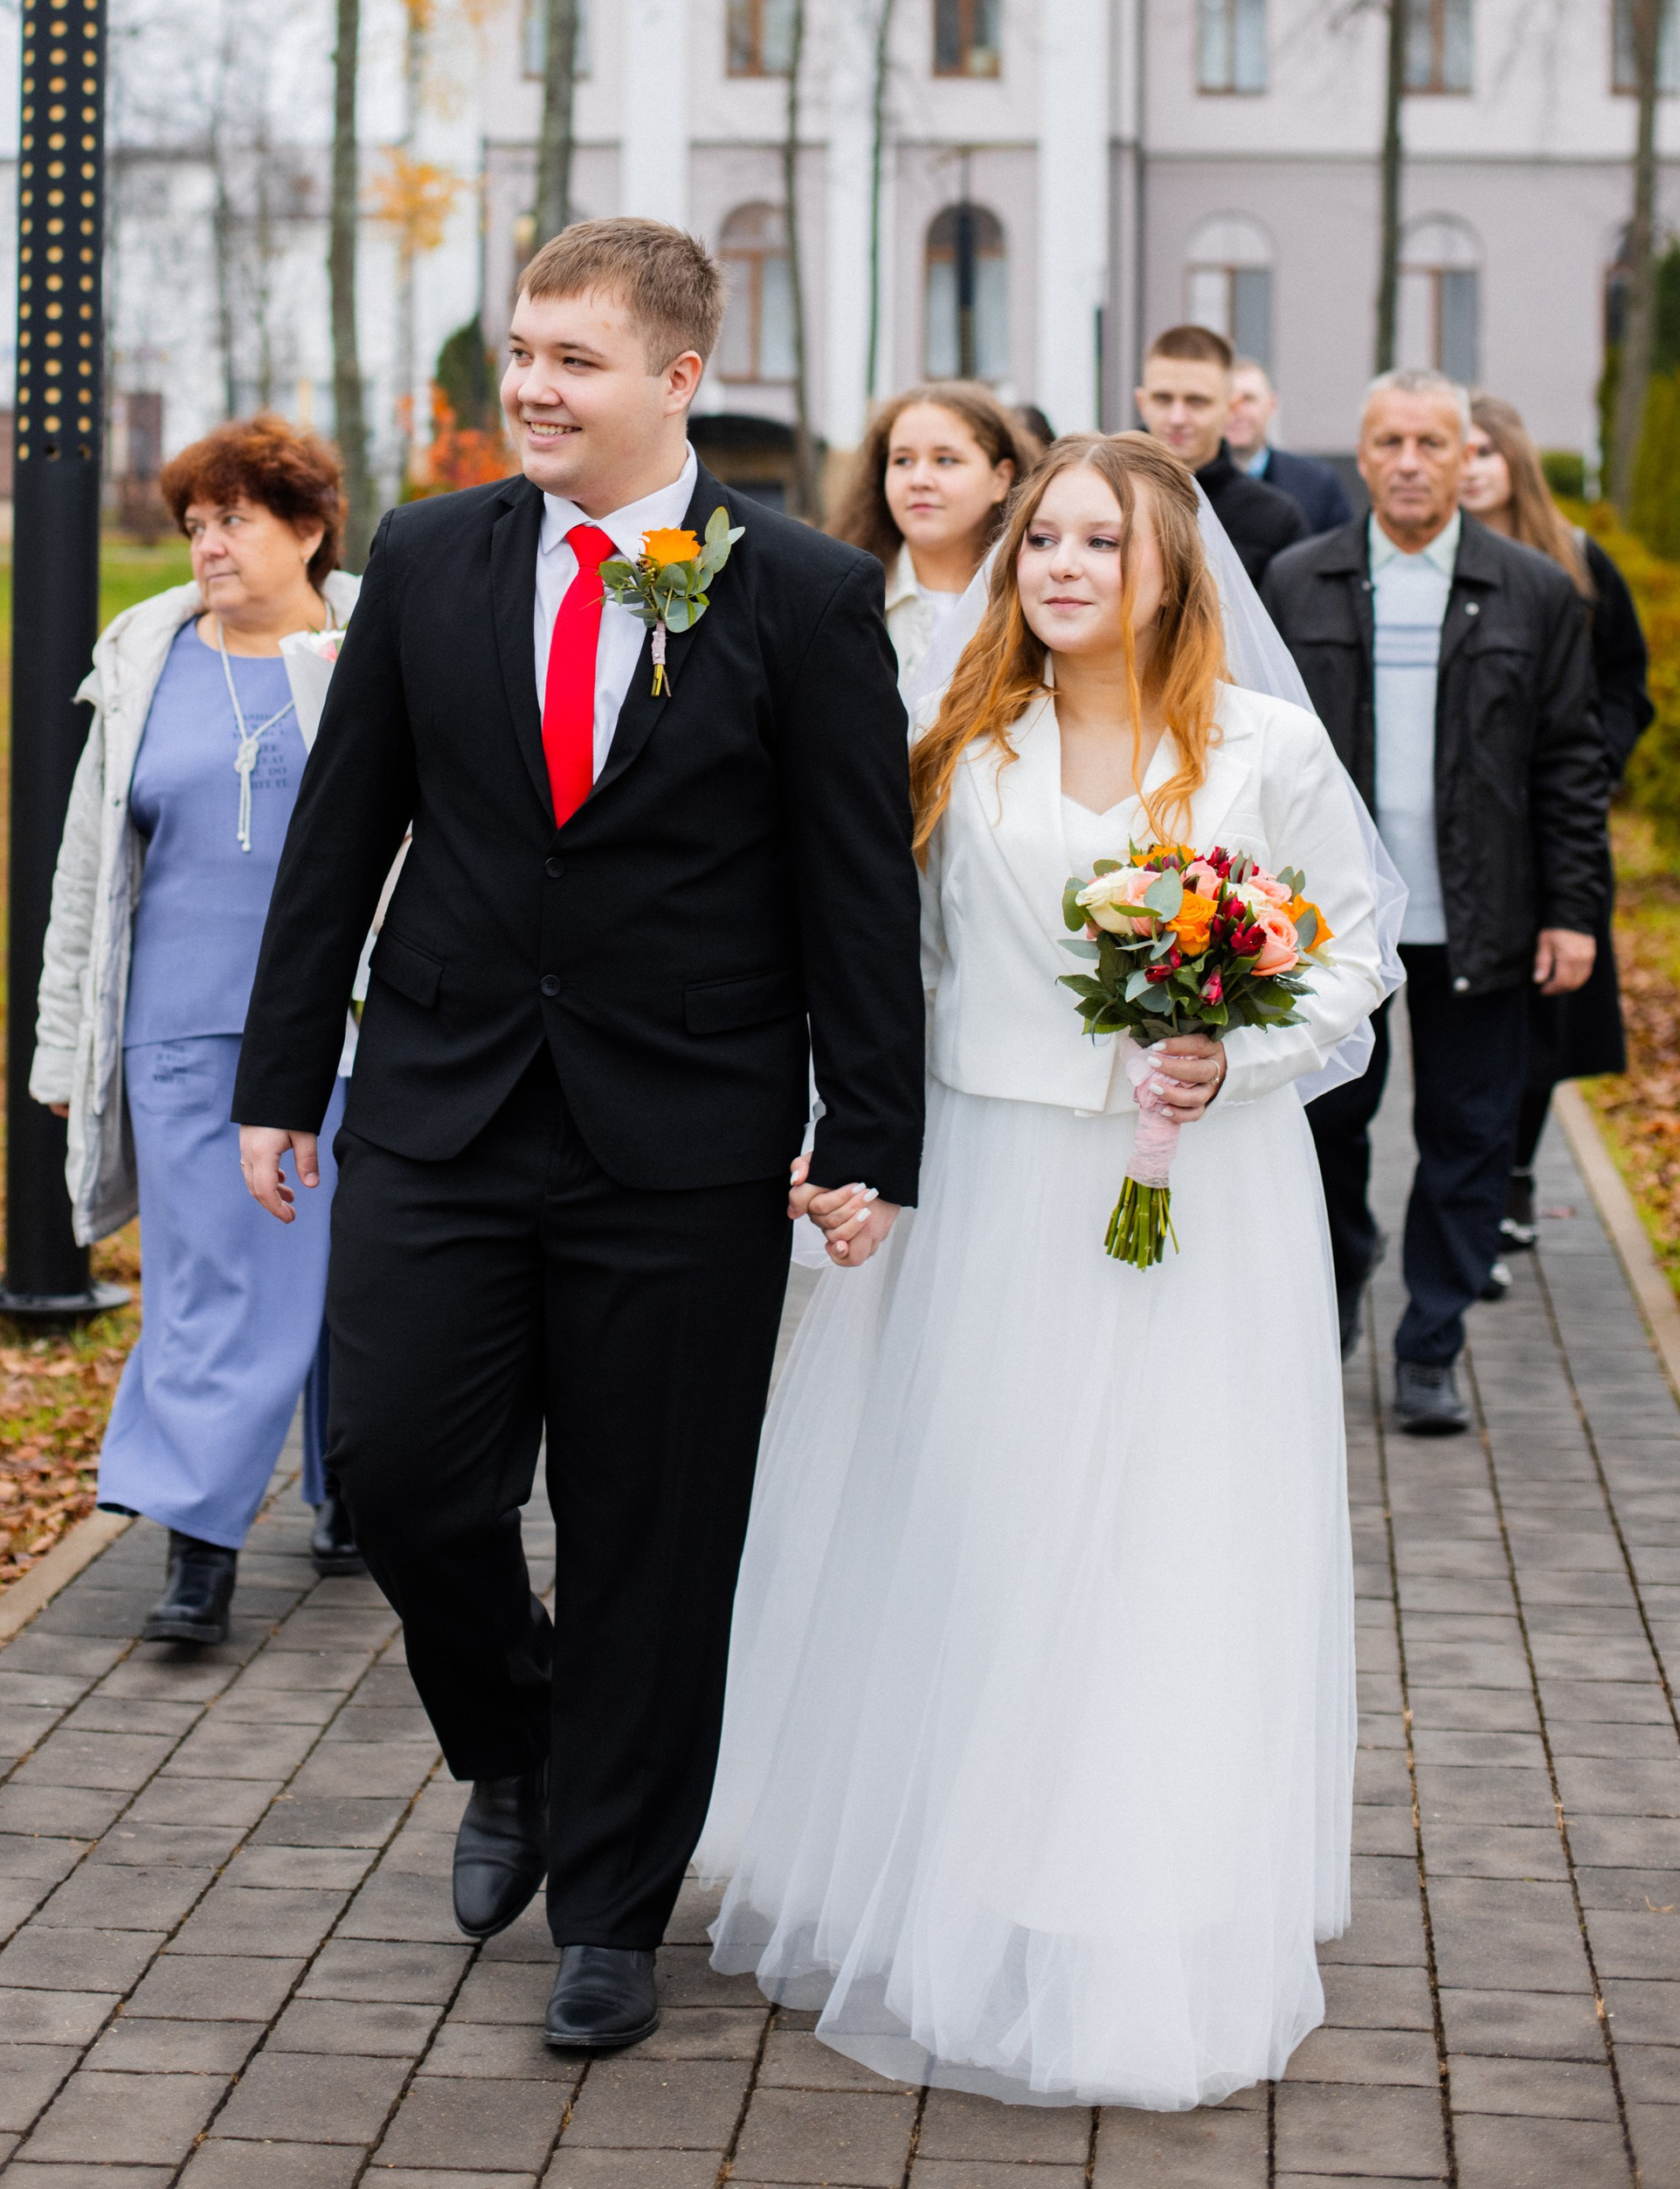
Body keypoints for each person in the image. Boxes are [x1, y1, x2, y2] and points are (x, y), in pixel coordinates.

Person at [232, 217, 925, 2059]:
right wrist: (279, 1073)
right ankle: (514, 1747)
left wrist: (870, 1128)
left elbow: (854, 887)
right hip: (442, 1108)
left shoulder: (796, 591)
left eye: (572, 360)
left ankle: (612, 1902)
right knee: (394, 1475)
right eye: (521, 351)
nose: (528, 387)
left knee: (652, 1532)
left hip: (682, 1136)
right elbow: (340, 833)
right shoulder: (430, 553)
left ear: (676, 378)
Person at [701, 435, 1389, 2109]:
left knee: (1165, 1533)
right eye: (1042, 542)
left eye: (1101, 540)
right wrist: (847, 1143)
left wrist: (1239, 1053)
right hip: (993, 1180)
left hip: (1197, 1196)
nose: (1064, 566)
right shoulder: (959, 747)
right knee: (983, 1521)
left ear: (1171, 566)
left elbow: (1352, 955)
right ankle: (963, 1864)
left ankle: (1135, 1891)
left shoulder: (1263, 751)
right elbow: (885, 972)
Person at [31, 415, 363, 1646]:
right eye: (197, 523)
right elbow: (86, 870)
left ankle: (353, 1495)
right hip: (179, 1032)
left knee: (359, 1275)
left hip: (353, 1026)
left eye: (237, 520)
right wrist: (67, 1043)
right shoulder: (147, 657)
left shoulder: (376, 644)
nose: (210, 545)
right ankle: (199, 1541)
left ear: (311, 528)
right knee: (211, 1286)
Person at [1266, 372, 1607, 1430]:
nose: (1408, 460)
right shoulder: (1297, 580)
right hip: (1328, 921)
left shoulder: (1534, 590)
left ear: (1468, 457)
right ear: (1358, 458)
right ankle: (1334, 1288)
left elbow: (1569, 761)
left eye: (1429, 441)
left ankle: (1431, 1343)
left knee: (1467, 1133)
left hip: (1486, 913)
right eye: (1386, 441)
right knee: (1326, 1125)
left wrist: (1573, 910)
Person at [1460, 394, 1652, 1253]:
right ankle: (1482, 1176)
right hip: (1473, 819)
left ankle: (1514, 1171)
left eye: (1480, 452)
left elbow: (1625, 679)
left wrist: (1594, 760)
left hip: (1557, 817)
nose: (1465, 467)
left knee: (1547, 1001)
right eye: (1452, 450)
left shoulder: (1573, 562)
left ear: (1513, 462)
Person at [830, 382, 1024, 703]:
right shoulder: (838, 596)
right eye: (902, 461)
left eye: (945, 460)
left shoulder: (1036, 600)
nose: (919, 480)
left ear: (1000, 478)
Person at [1136, 322, 1305, 590]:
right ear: (1142, 403)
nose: (1177, 418)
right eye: (1163, 399)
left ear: (1231, 408)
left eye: (1196, 401)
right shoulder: (1105, 498)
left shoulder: (1273, 519)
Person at [1227, 359, 1352, 536]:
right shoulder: (1190, 485)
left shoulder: (1317, 484)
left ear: (1272, 404)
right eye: (1227, 400)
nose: (1236, 411)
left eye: (1248, 399)